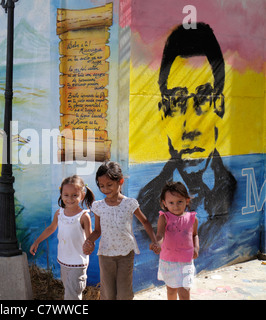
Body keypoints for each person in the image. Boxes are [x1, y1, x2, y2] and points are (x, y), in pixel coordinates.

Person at [137, 22, 236, 250]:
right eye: (178, 102)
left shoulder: (235, 192)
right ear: (163, 114)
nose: (190, 127)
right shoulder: (146, 201)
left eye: (203, 99)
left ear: (219, 107)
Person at [83, 161, 160, 300]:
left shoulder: (129, 203)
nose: (105, 189)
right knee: (108, 293)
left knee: (124, 294)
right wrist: (88, 241)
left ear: (121, 181)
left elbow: (145, 221)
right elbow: (98, 231)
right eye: (101, 186)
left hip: (126, 254)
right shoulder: (99, 206)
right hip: (106, 255)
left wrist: (154, 241)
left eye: (109, 185)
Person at [30, 175, 94, 300]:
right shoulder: (59, 213)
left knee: (72, 295)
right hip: (64, 261)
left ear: (83, 195)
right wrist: (37, 241)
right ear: (61, 194)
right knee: (68, 290)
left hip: (78, 263)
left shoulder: (83, 216)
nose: (70, 199)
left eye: (75, 195)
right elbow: (51, 228)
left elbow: (90, 237)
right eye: (66, 195)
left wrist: (90, 246)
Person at [155, 181, 199, 300]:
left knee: (185, 293)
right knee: (171, 291)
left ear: (187, 200)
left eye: (180, 201)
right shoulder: (164, 218)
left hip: (186, 262)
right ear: (164, 203)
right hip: (169, 261)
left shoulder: (192, 219)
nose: (176, 206)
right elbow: (160, 235)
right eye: (171, 202)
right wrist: (157, 244)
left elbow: (195, 235)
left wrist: (196, 248)